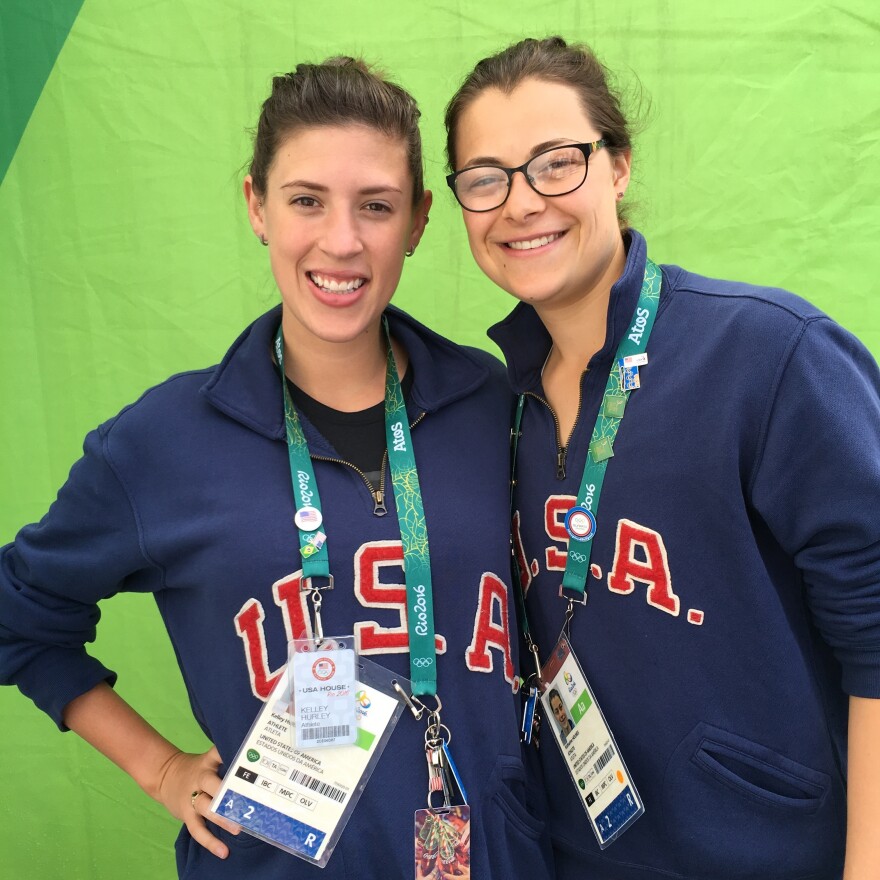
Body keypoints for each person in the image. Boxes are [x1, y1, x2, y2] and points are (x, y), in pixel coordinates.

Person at [0, 57, 553, 880]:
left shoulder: (495, 404)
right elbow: (21, 617)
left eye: (376, 205)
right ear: (257, 206)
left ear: (419, 219)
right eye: (306, 201)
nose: (342, 240)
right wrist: (159, 769)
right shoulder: (160, 444)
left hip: (493, 858)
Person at [443, 35, 880, 879]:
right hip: (570, 855)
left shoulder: (767, 357)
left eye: (556, 162)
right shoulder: (498, 405)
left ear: (618, 168)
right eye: (486, 178)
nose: (522, 202)